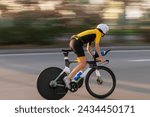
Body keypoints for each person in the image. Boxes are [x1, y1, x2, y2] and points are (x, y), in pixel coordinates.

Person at [63, 24, 109, 89]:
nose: (103, 36)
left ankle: (75, 79)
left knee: (83, 64)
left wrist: (94, 56)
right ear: (103, 32)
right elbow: (97, 46)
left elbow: (88, 48)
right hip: (77, 43)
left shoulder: (93, 33)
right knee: (83, 63)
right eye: (104, 34)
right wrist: (101, 57)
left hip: (74, 42)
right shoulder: (98, 33)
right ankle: (67, 78)